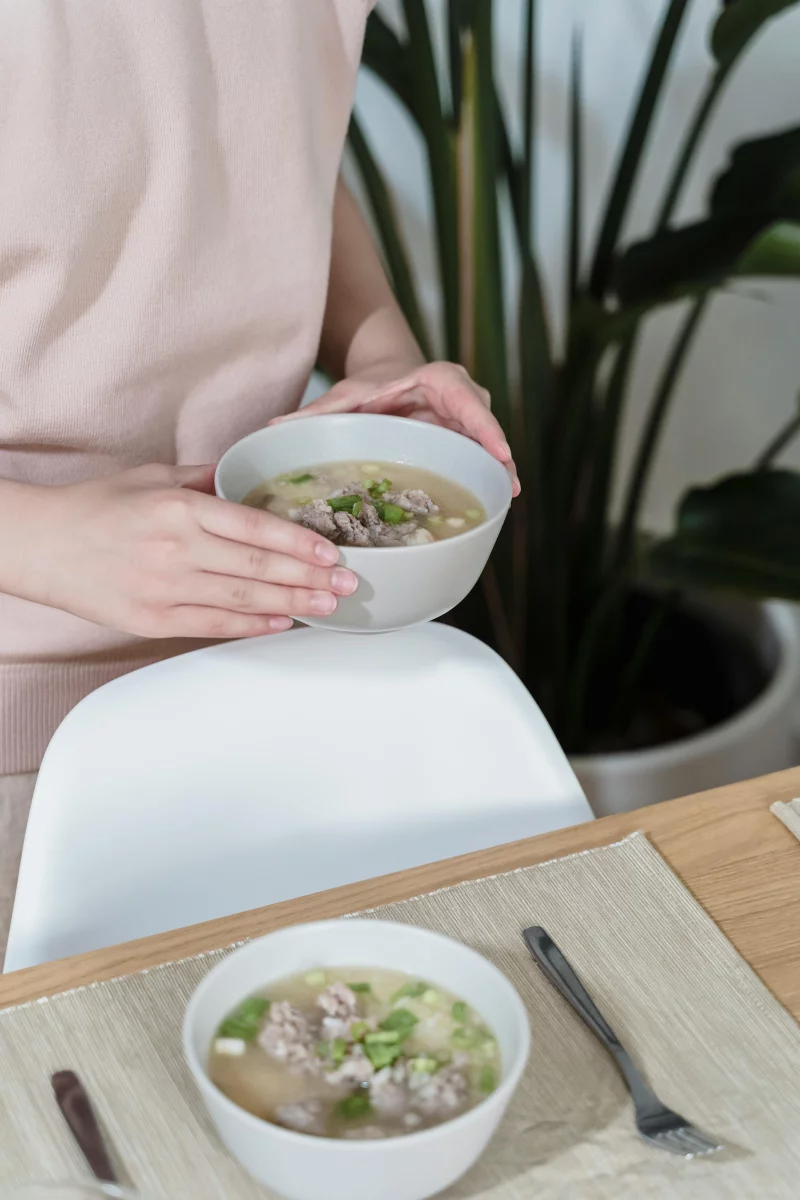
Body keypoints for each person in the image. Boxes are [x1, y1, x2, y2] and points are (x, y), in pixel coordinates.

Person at [0, 1, 519, 956]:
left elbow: (274, 141)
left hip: (295, 659)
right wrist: (33, 538)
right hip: (23, 732)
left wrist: (379, 354)